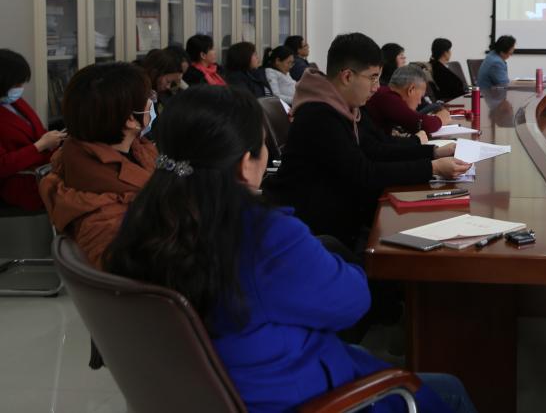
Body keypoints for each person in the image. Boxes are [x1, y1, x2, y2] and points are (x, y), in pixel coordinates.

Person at [104, 86, 476, 413]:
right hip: (294, 397)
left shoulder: (140, 223)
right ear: (245, 165)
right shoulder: (263, 235)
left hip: (219, 391)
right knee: (451, 390)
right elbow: (353, 302)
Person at [264, 33, 471, 250]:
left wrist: (433, 153)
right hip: (316, 233)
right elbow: (364, 173)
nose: (376, 87)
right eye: (372, 77)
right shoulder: (320, 114)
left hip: (345, 218)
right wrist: (432, 168)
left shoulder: (346, 106)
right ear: (347, 76)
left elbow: (375, 148)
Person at [38, 63, 157, 268]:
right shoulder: (104, 212)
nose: (153, 102)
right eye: (149, 98)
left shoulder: (130, 147)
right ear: (130, 119)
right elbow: (126, 274)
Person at [0, 50, 65, 210]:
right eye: (16, 83)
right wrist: (39, 146)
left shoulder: (14, 101)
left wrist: (54, 140)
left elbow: (36, 131)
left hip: (44, 168)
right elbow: (3, 165)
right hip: (20, 182)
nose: (20, 88)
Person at [365, 65, 451, 136]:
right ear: (411, 90)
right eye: (420, 97)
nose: (420, 102)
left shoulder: (385, 93)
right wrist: (440, 119)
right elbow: (420, 124)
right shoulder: (388, 97)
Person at [138, 48, 183, 116]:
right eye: (168, 81)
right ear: (154, 73)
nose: (168, 87)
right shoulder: (139, 92)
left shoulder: (160, 92)